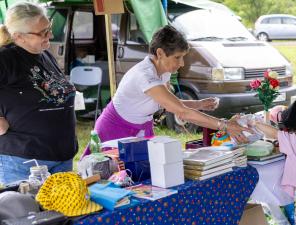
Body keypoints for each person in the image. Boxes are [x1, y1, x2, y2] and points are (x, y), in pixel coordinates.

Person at [92, 25, 250, 148]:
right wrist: (224, 125)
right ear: (160, 53)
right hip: (114, 130)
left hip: (139, 128)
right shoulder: (145, 76)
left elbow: (167, 103)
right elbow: (181, 111)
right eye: (178, 57)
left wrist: (198, 104)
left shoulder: (164, 71)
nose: (181, 64)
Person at [0, 2, 77, 184]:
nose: (50, 34)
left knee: (65, 212)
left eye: (48, 28)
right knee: (30, 212)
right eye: (42, 32)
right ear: (19, 36)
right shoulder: (6, 59)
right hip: (25, 161)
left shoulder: (44, 54)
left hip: (62, 155)